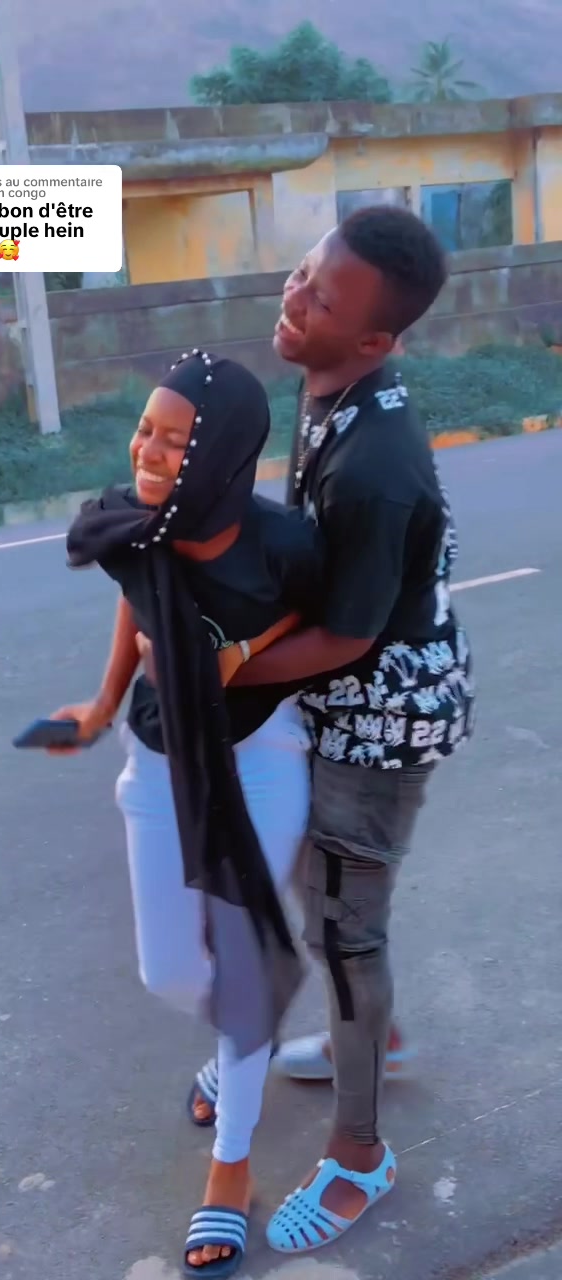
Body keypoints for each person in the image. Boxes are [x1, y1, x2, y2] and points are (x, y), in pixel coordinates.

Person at [183, 206, 476, 1254]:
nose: (295, 298)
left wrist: (222, 671)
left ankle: (360, 1154)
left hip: (383, 718)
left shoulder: (375, 462)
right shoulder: (327, 388)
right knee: (321, 902)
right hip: (349, 695)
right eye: (304, 273)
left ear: (375, 339)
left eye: (323, 298)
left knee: (347, 932)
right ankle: (373, 1041)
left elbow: (348, 635)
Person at [48, 351, 333, 1276]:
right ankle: (241, 1039)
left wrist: (242, 652)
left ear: (221, 454)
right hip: (159, 758)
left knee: (240, 966)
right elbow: (138, 606)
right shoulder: (137, 526)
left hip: (259, 763)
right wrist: (101, 704)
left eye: (175, 441)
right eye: (146, 430)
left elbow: (327, 618)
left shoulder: (282, 543)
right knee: (169, 970)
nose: (148, 451)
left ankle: (232, 1165)